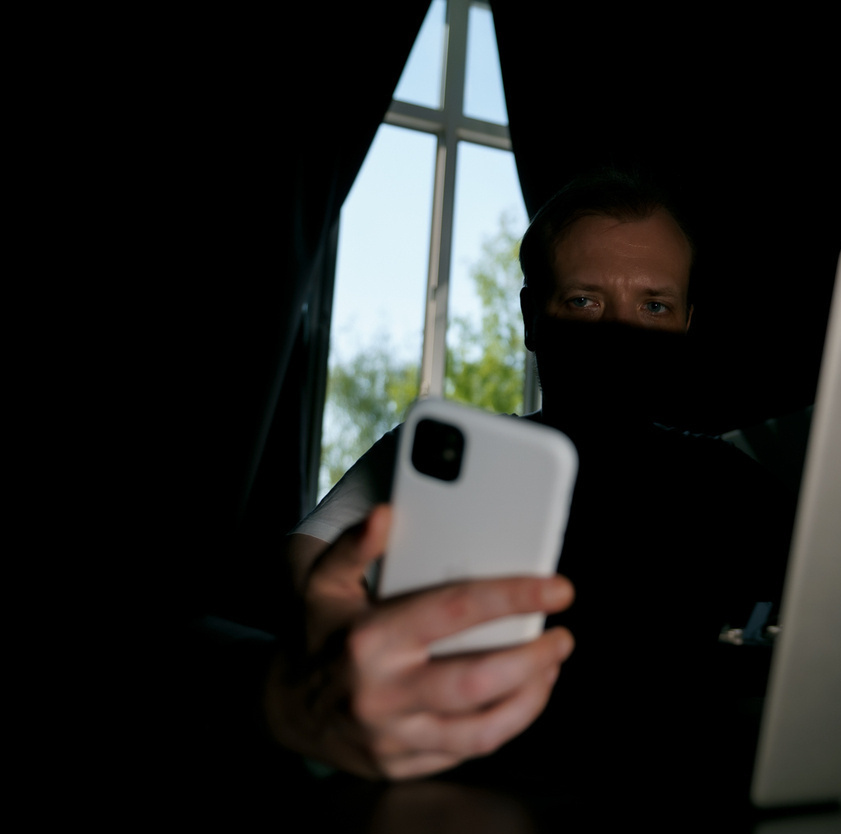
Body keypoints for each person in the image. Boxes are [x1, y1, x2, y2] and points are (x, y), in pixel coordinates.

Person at [268, 169, 792, 788]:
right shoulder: (436, 456)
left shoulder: (739, 484)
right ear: (531, 316)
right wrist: (329, 668)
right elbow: (308, 581)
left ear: (685, 323)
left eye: (654, 306)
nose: (620, 335)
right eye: (585, 301)